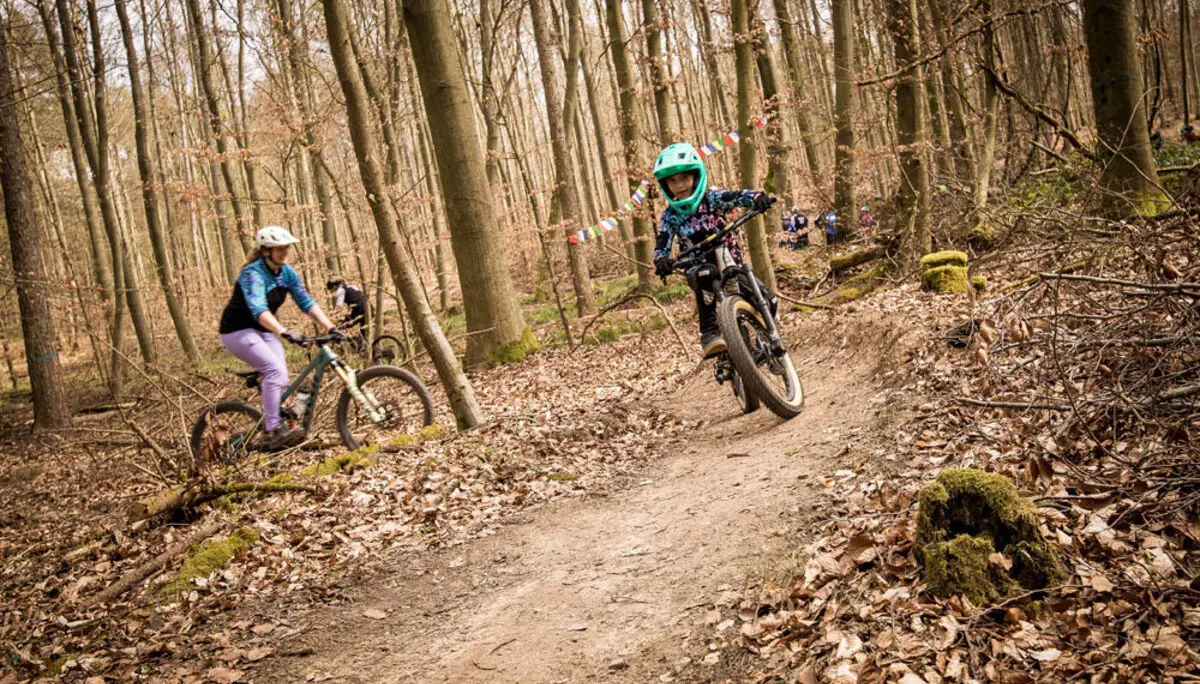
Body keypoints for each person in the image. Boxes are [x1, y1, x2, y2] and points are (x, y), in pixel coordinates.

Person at [218, 226, 342, 450]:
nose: (285, 252)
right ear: (266, 251)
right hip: (237, 331)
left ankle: (276, 419)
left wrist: (331, 326)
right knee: (274, 370)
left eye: (286, 247)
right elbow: (259, 309)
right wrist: (283, 331)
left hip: (263, 331)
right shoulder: (253, 274)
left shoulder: (286, 272)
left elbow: (306, 302)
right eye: (279, 249)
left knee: (281, 376)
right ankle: (272, 429)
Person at [651, 142, 777, 358]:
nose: (679, 185)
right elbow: (663, 240)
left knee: (769, 299)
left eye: (684, 178)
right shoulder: (670, 215)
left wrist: (756, 197)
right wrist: (661, 259)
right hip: (698, 266)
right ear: (665, 185)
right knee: (705, 276)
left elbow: (736, 196)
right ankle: (710, 333)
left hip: (729, 261)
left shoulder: (712, 198)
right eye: (672, 181)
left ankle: (764, 337)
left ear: (696, 176)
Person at [326, 276, 369, 348]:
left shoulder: (340, 290)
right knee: (363, 332)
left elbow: (339, 306)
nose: (332, 292)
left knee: (341, 326)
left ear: (334, 286)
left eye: (332, 289)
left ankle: (356, 343)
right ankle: (365, 349)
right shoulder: (352, 286)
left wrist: (333, 317)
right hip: (368, 309)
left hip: (359, 310)